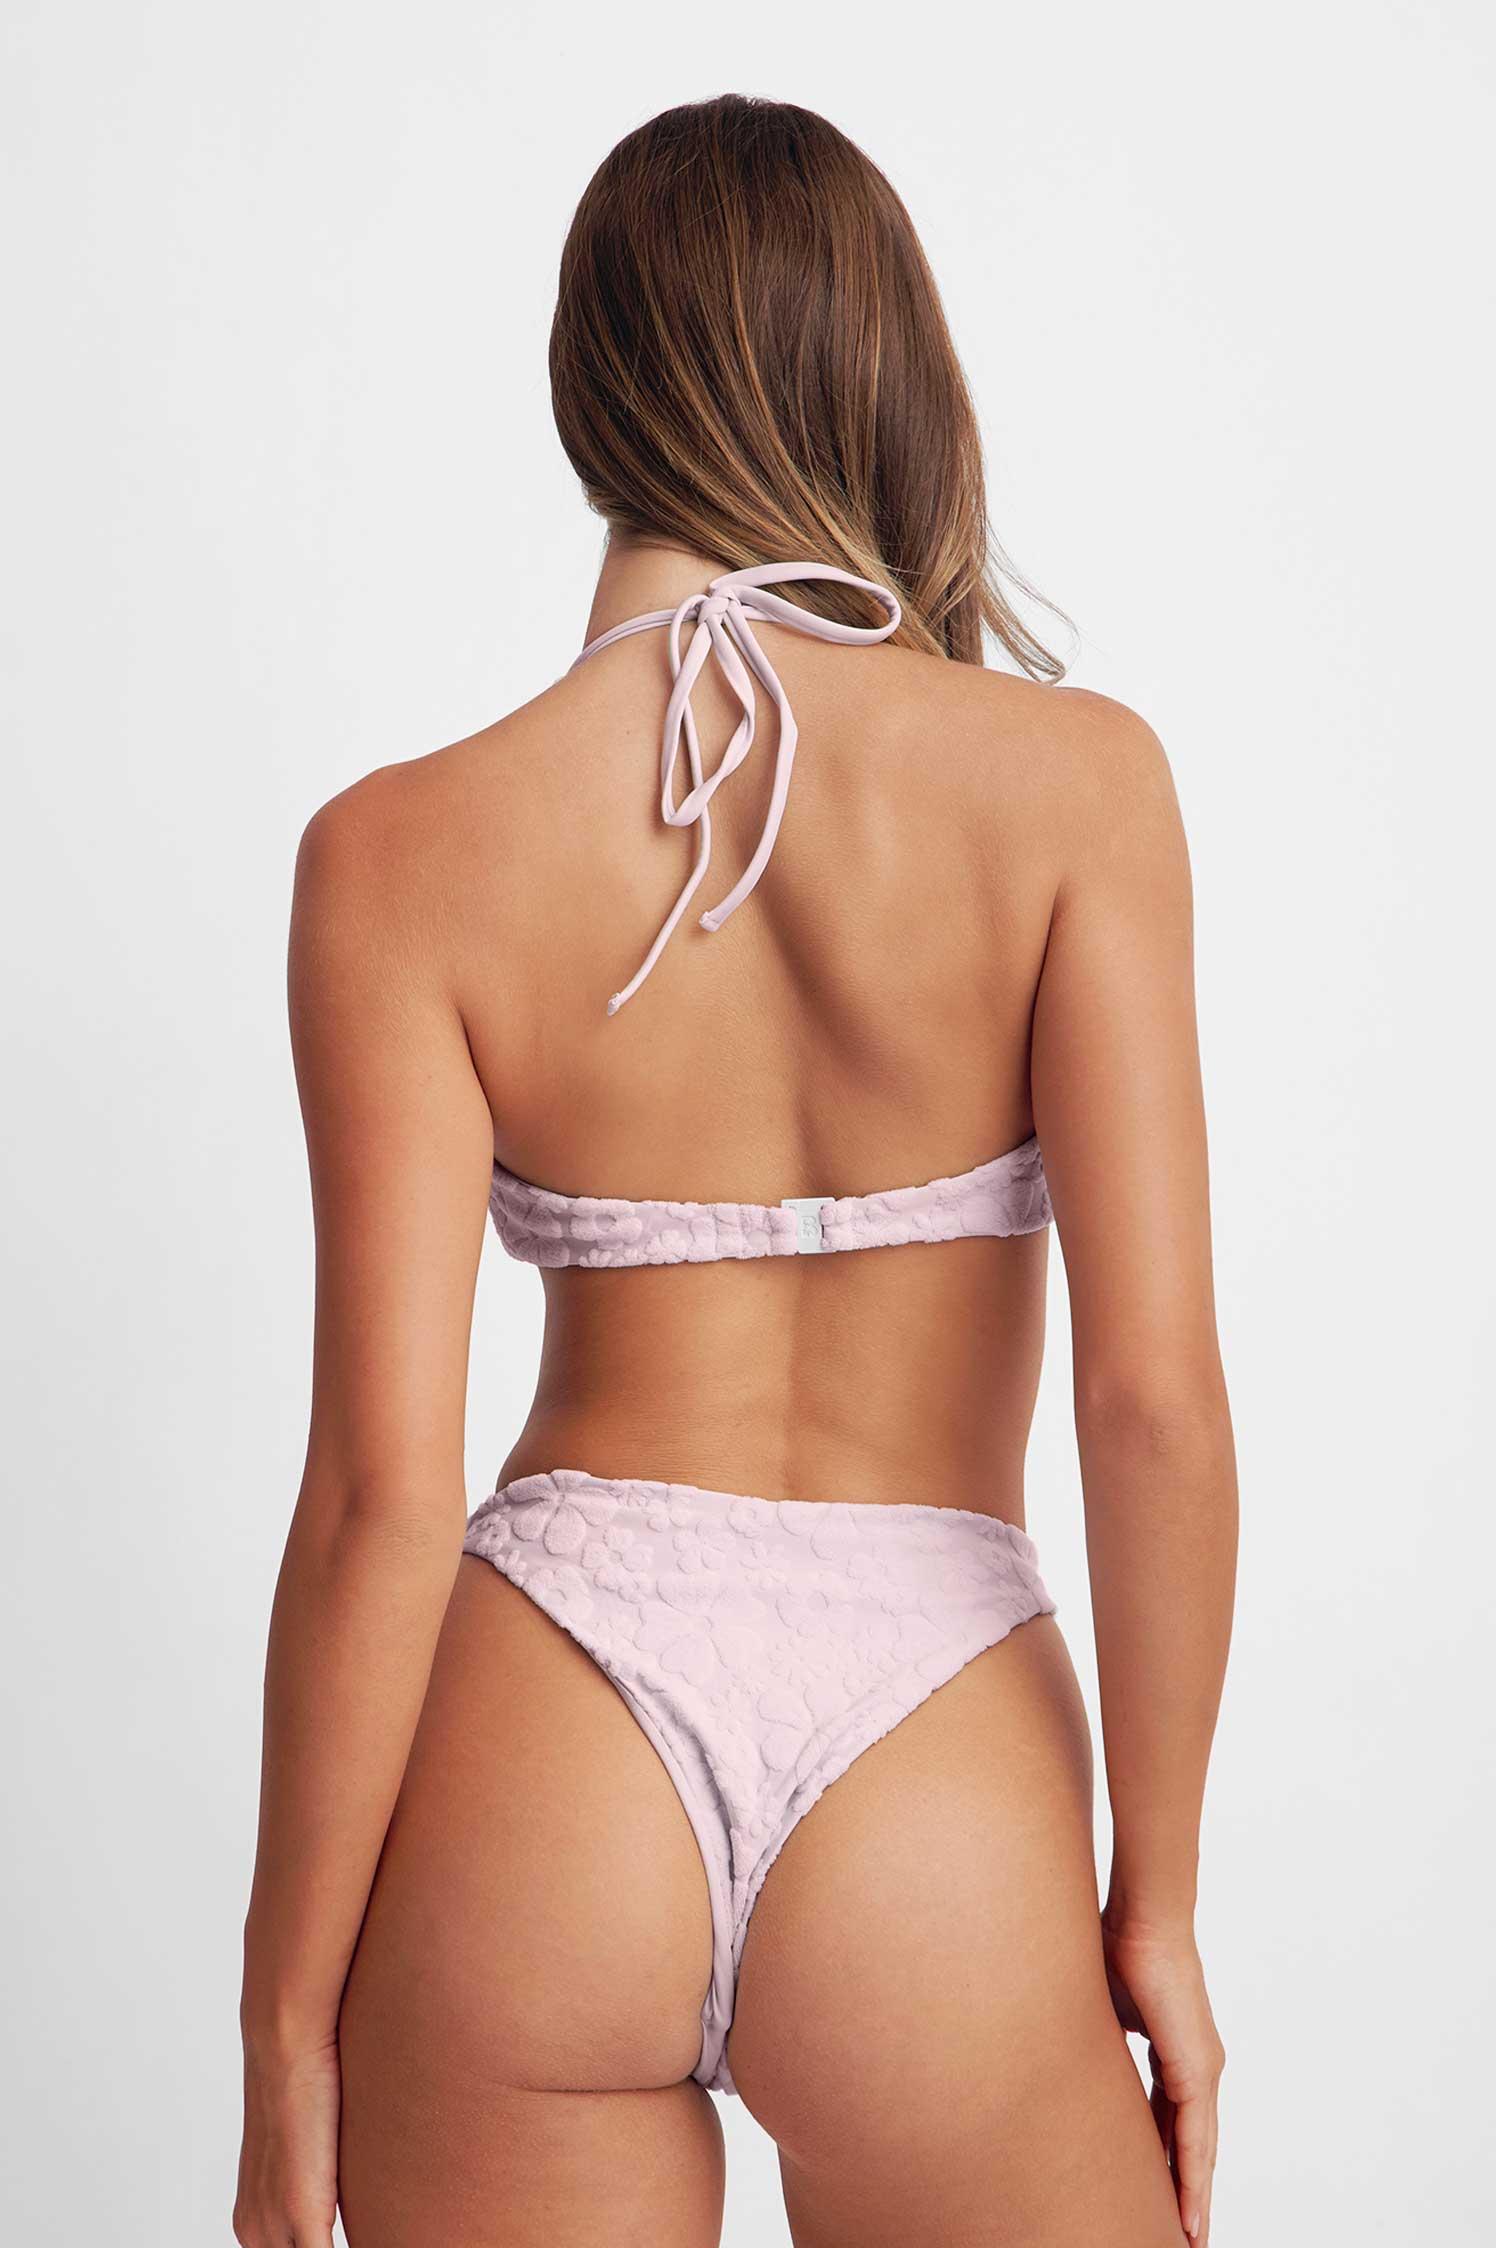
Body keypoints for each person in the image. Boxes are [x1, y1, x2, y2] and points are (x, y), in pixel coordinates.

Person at [235, 93, 1236, 2248]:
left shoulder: (396, 856)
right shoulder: (1075, 789)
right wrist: (1153, 1895)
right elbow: (1149, 1402)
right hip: (935, 1760)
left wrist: (283, 2019)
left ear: (588, 388)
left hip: (544, 1750)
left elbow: (379, 1494)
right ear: (887, 371)